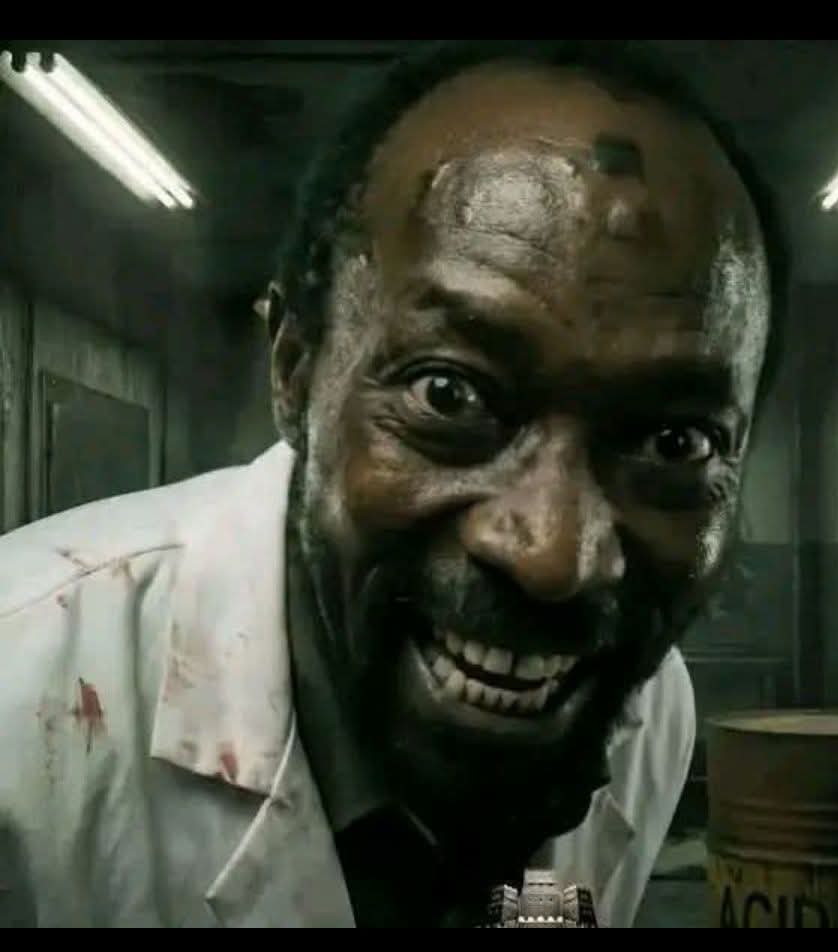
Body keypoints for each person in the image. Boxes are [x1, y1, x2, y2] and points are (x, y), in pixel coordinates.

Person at [0, 40, 777, 927]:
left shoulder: (643, 708)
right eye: (448, 394)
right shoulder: (17, 707)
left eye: (676, 442)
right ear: (295, 368)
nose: (555, 556)